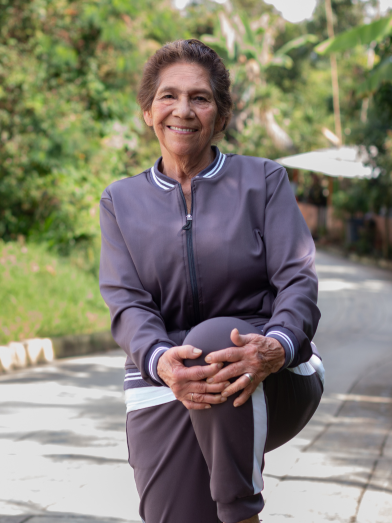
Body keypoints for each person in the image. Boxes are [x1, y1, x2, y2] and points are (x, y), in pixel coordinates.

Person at [99, 39, 324, 523]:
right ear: (147, 111)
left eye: (200, 98)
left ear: (221, 116)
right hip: (165, 377)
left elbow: (299, 281)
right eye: (168, 96)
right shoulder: (120, 201)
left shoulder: (263, 181)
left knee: (213, 338)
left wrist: (278, 344)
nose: (183, 110)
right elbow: (127, 303)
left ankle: (241, 512)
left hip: (270, 368)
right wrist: (161, 362)